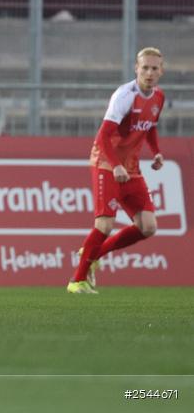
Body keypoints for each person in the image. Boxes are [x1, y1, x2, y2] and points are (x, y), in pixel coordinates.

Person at [67, 48, 166, 294]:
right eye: (145, 68)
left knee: (148, 226)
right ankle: (76, 281)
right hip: (106, 163)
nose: (149, 73)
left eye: (154, 68)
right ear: (136, 68)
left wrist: (155, 151)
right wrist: (116, 165)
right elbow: (102, 136)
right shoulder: (125, 96)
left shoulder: (159, 98)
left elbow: (150, 127)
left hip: (131, 168)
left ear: (161, 71)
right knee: (105, 224)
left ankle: (92, 254)